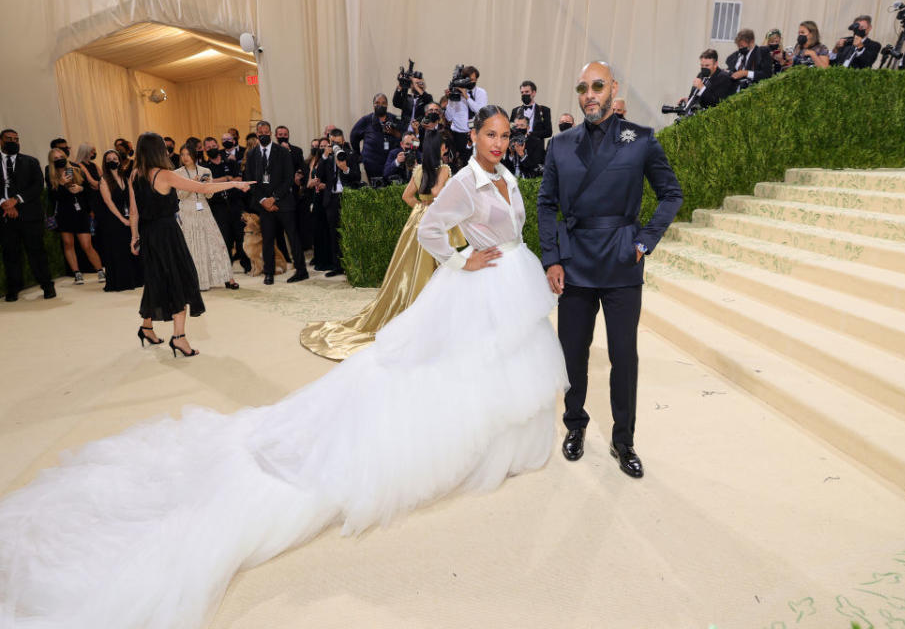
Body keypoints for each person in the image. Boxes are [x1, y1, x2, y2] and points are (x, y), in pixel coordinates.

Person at [0, 106, 566, 629]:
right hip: (478, 286)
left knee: (506, 366)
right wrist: (465, 259)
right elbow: (431, 229)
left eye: (501, 135)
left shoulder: (510, 176)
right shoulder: (465, 179)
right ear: (473, 137)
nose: (496, 142)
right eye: (487, 135)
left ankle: (501, 444)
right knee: (451, 371)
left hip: (511, 282)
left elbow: (514, 227)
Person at [537, 61, 683, 479]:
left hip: (621, 261)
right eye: (582, 87)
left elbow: (671, 194)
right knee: (572, 356)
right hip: (575, 264)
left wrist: (644, 241)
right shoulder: (561, 145)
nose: (589, 95)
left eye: (597, 86)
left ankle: (624, 441)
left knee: (623, 357)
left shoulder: (640, 139)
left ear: (613, 89)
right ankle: (575, 425)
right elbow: (547, 204)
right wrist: (552, 258)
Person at [302, 129, 466, 359]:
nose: (445, 148)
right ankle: (435, 319)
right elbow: (437, 192)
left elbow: (407, 197)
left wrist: (421, 209)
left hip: (419, 222)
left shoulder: (419, 169)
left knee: (414, 270)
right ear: (441, 148)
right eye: (443, 145)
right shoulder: (445, 169)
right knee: (436, 270)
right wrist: (440, 202)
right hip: (436, 222)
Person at [130, 132, 252, 355]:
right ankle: (179, 338)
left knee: (157, 279)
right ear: (159, 150)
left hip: (149, 235)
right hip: (167, 234)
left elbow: (134, 212)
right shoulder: (164, 175)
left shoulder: (135, 175)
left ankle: (147, 327)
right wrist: (235, 183)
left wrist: (134, 237)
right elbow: (204, 189)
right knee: (181, 280)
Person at [242, 120, 309, 284]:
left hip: (284, 202)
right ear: (257, 134)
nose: (264, 135)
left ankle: (301, 270)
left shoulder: (282, 152)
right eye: (261, 132)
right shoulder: (252, 154)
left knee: (293, 238)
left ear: (270, 134)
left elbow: (288, 178)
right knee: (268, 240)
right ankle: (269, 273)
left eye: (266, 132)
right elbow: (250, 180)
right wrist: (264, 200)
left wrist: (274, 198)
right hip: (264, 206)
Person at [0, 128, 55, 301]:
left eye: (16, 139)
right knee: (10, 254)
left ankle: (47, 286)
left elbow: (38, 186)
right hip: (4, 217)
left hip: (30, 216)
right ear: (1, 141)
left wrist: (16, 200)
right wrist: (4, 203)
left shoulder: (31, 161)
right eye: (9, 139)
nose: (13, 142)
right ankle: (13, 289)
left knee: (37, 252)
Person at [175, 144, 239, 291]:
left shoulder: (205, 170)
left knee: (215, 242)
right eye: (182, 154)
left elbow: (209, 194)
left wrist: (205, 185)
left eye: (187, 154)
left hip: (204, 210)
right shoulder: (177, 173)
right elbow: (180, 196)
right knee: (192, 245)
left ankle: (227, 278)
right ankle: (195, 281)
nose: (185, 157)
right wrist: (194, 185)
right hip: (187, 211)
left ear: (194, 155)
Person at [47, 147, 106, 285]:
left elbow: (89, 193)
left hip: (80, 213)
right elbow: (53, 197)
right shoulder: (51, 176)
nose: (59, 160)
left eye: (61, 156)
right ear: (51, 161)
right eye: (55, 158)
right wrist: (61, 184)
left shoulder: (76, 170)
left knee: (87, 245)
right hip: (64, 213)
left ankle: (100, 270)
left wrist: (81, 189)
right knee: (68, 244)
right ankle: (77, 273)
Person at [97, 149, 143, 291]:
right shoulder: (104, 179)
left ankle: (135, 279)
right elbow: (108, 203)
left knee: (131, 248)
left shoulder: (125, 177)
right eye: (109, 159)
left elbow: (131, 199)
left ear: (119, 160)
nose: (112, 161)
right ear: (105, 162)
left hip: (128, 216)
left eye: (115, 158)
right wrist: (122, 220)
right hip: (112, 219)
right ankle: (120, 282)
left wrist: (132, 217)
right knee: (117, 250)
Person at [200, 137, 247, 273]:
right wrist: (227, 179)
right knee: (224, 239)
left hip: (235, 204)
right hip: (218, 206)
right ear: (205, 150)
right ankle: (226, 269)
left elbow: (238, 179)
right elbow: (206, 185)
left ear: (218, 145)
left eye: (214, 146)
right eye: (208, 148)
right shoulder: (204, 168)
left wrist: (217, 182)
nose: (212, 149)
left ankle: (246, 264)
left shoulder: (231, 162)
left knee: (240, 236)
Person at [320, 131, 361, 277]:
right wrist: (325, 156)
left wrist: (345, 169)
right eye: (334, 143)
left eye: (339, 142)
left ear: (343, 142)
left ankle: (351, 265)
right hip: (331, 199)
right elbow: (318, 175)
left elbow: (357, 176)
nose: (337, 145)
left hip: (347, 197)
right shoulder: (327, 157)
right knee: (333, 233)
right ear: (330, 143)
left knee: (349, 232)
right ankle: (337, 266)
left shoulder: (350, 155)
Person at [350, 93, 402, 183]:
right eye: (377, 103)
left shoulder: (394, 119)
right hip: (371, 162)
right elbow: (353, 136)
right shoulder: (366, 120)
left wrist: (393, 132)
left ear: (387, 105)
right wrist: (358, 153)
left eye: (383, 103)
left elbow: (403, 136)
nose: (380, 105)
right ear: (373, 105)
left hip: (391, 161)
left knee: (392, 190)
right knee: (376, 189)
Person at [443, 65, 487, 164]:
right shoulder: (456, 93)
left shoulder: (481, 93)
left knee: (475, 165)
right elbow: (448, 117)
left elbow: (480, 111)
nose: (472, 82)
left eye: (474, 79)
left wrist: (466, 96)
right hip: (458, 135)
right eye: (469, 79)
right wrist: (450, 99)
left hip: (476, 135)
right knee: (458, 165)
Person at [306, 137, 333, 271]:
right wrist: (314, 183)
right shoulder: (315, 161)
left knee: (328, 230)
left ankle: (330, 260)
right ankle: (319, 259)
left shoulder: (333, 159)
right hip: (316, 198)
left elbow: (336, 181)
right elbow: (308, 183)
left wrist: (326, 185)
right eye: (321, 146)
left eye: (326, 145)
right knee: (318, 230)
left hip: (328, 197)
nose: (323, 148)